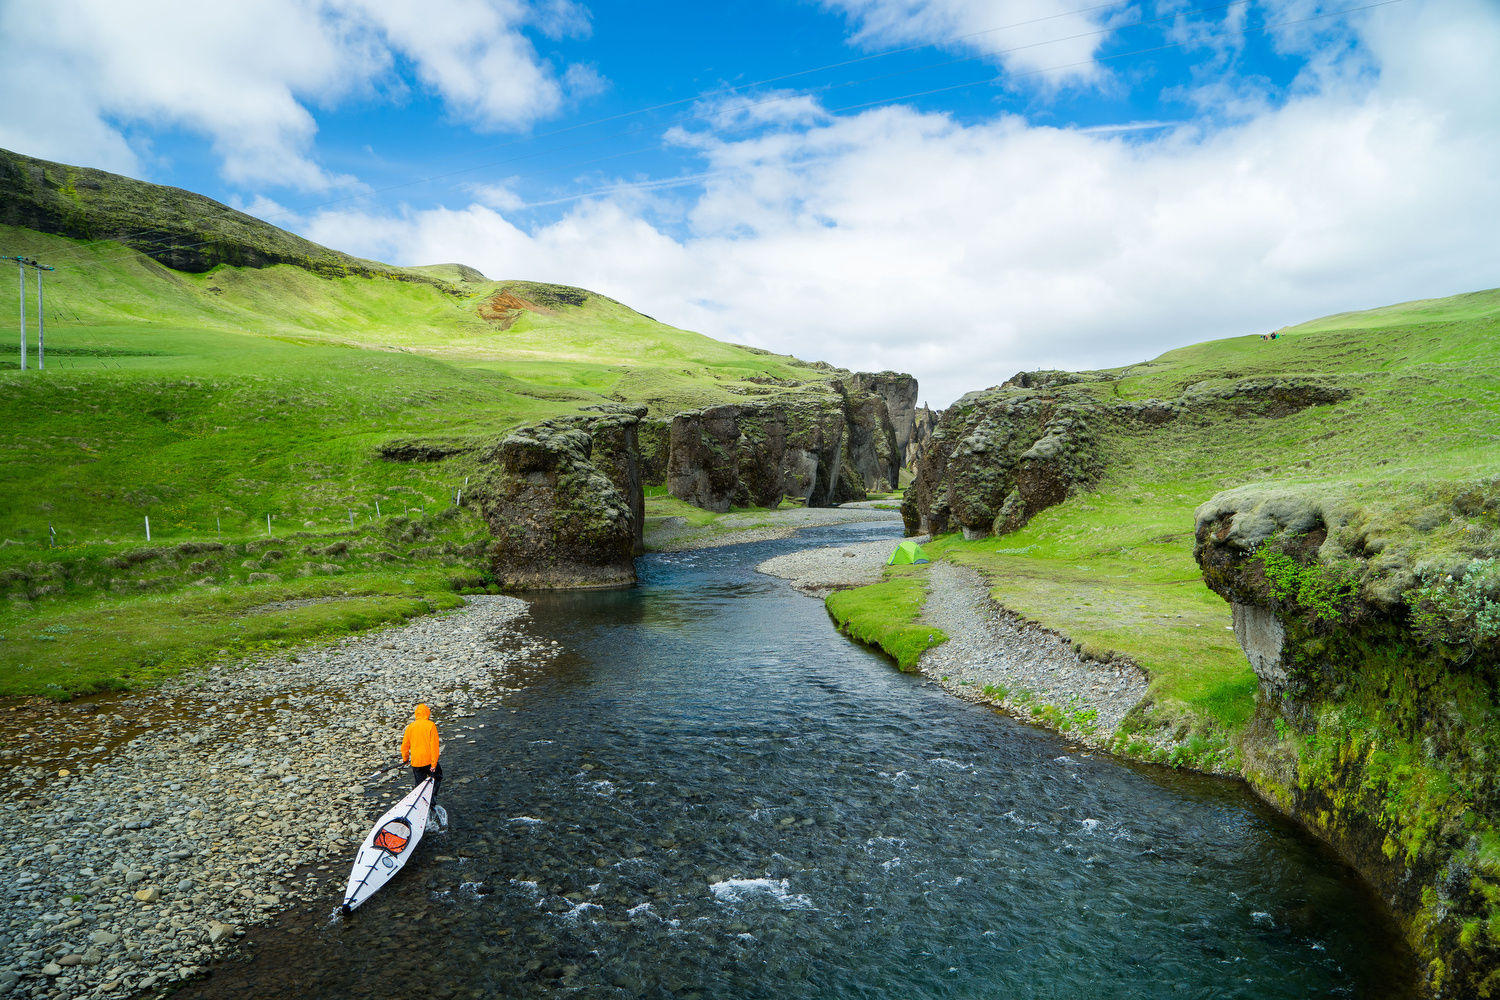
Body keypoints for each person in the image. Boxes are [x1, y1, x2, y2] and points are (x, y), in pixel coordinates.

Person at [400, 703, 442, 801]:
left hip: (416, 762)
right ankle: (431, 801)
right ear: (427, 713)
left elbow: (404, 746)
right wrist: (434, 764)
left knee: (419, 786)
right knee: (438, 777)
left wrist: (405, 759)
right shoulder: (431, 725)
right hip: (428, 762)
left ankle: (419, 804)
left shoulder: (410, 727)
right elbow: (434, 747)